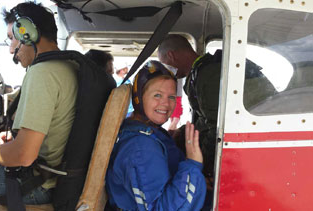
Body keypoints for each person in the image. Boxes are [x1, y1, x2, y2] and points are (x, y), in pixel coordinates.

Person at [0, 2, 78, 205]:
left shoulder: (43, 73)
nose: (11, 49)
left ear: (27, 33)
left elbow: (24, 155)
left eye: (12, 38)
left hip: (35, 187)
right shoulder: (68, 66)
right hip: (58, 181)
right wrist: (14, 140)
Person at [158, 34, 276, 209]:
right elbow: (206, 120)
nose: (169, 70)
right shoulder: (201, 71)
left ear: (171, 56)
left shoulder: (209, 73)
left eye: (167, 64)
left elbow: (218, 128)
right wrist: (181, 134)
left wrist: (203, 169)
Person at [106, 60, 206, 210]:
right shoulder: (140, 147)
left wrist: (200, 180)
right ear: (139, 97)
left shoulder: (149, 132)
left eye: (171, 97)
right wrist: (193, 165)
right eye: (157, 95)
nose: (165, 103)